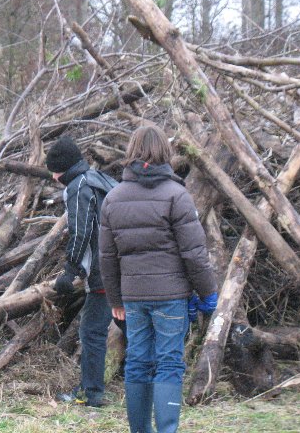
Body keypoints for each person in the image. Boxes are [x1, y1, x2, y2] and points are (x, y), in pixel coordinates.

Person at [98, 125, 218, 433]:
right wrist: (207, 293)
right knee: (169, 363)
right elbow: (194, 254)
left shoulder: (113, 199)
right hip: (171, 297)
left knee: (137, 361)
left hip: (133, 298)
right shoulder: (177, 195)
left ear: (131, 152)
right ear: (166, 151)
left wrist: (115, 300)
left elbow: (107, 257)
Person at [46, 136, 126, 408]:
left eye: (54, 171)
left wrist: (69, 271)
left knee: (91, 330)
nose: (53, 177)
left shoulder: (78, 187)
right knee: (134, 326)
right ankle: (154, 380)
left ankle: (91, 393)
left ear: (63, 169)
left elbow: (81, 232)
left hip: (105, 273)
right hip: (127, 268)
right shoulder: (100, 179)